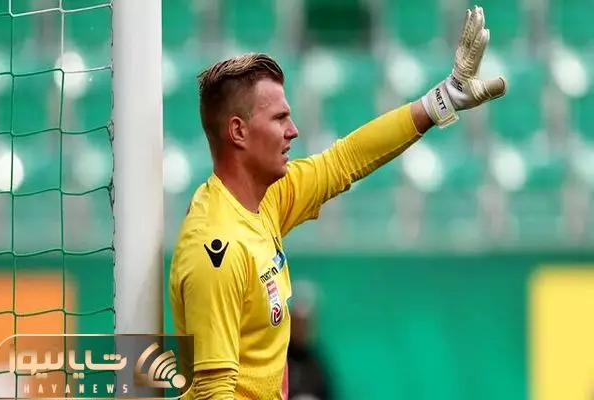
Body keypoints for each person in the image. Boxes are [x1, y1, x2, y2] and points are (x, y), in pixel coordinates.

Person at [169, 6, 506, 400]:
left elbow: (344, 159)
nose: (293, 131)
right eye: (279, 118)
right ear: (238, 131)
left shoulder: (267, 199)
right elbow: (213, 393)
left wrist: (440, 100)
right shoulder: (217, 250)